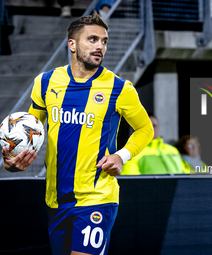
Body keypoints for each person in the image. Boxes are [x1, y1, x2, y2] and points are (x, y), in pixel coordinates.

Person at [2, 14, 153, 255]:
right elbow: (30, 131)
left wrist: (121, 156)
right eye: (92, 39)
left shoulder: (120, 88)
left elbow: (145, 129)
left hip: (97, 197)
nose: (100, 46)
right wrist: (12, 161)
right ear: (72, 44)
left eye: (104, 41)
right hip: (56, 199)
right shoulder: (45, 82)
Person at [120, 114, 185, 175]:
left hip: (178, 187)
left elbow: (185, 173)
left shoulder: (172, 150)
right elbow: (130, 181)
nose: (151, 129)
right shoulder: (133, 152)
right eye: (147, 125)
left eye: (154, 126)